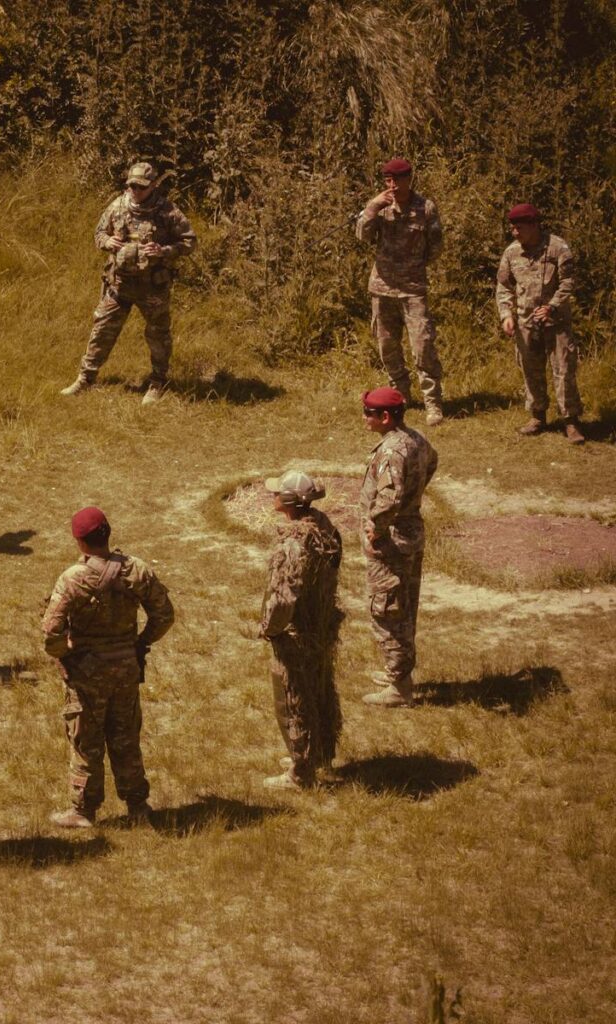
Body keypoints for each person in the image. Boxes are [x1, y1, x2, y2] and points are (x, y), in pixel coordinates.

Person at [42, 507, 175, 827]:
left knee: (85, 741)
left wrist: (66, 654)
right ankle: (138, 804)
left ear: (79, 542)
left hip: (87, 672)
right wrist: (141, 643)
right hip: (127, 667)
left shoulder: (73, 578)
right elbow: (164, 615)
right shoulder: (136, 569)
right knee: (126, 735)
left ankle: (83, 810)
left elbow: (51, 634)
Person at [60, 162, 197, 405]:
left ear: (153, 186)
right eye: (131, 185)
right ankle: (86, 378)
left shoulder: (167, 212)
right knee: (102, 329)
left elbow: (189, 242)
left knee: (158, 334)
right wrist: (107, 242)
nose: (134, 190)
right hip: (119, 284)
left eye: (141, 187)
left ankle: (158, 382)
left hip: (152, 287)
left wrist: (163, 250)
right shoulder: (118, 206)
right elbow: (98, 234)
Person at [259, 471, 343, 790]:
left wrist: (270, 629)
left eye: (277, 493)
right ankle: (320, 753)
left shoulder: (293, 544)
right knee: (320, 689)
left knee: (293, 699)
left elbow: (282, 599)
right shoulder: (326, 528)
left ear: (290, 502)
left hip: (296, 634)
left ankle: (300, 771)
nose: (273, 497)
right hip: (322, 624)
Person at [358, 387, 438, 708]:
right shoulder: (414, 439)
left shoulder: (391, 452)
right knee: (403, 606)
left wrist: (375, 527)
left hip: (391, 543)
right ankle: (397, 671)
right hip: (410, 534)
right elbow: (432, 462)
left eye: (369, 413)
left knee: (387, 610)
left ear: (385, 417)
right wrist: (413, 496)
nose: (365, 418)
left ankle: (400, 687)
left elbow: (388, 499)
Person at [357, 158, 445, 426]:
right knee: (388, 347)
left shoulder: (425, 208)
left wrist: (413, 267)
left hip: (413, 289)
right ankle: (401, 396)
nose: (392, 185)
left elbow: (437, 247)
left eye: (397, 179)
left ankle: (433, 403)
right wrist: (371, 207)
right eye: (388, 180)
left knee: (423, 345)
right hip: (382, 289)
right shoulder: (380, 207)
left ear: (410, 178)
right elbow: (362, 236)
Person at [496, 203, 584, 445]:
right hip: (525, 322)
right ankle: (538, 416)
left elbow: (568, 282)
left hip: (556, 322)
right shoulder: (511, 253)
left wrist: (553, 306)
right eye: (512, 227)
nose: (514, 231)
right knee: (530, 370)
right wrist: (506, 314)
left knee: (564, 371)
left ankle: (571, 421)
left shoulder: (557, 248)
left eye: (519, 226)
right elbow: (504, 286)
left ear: (535, 225)